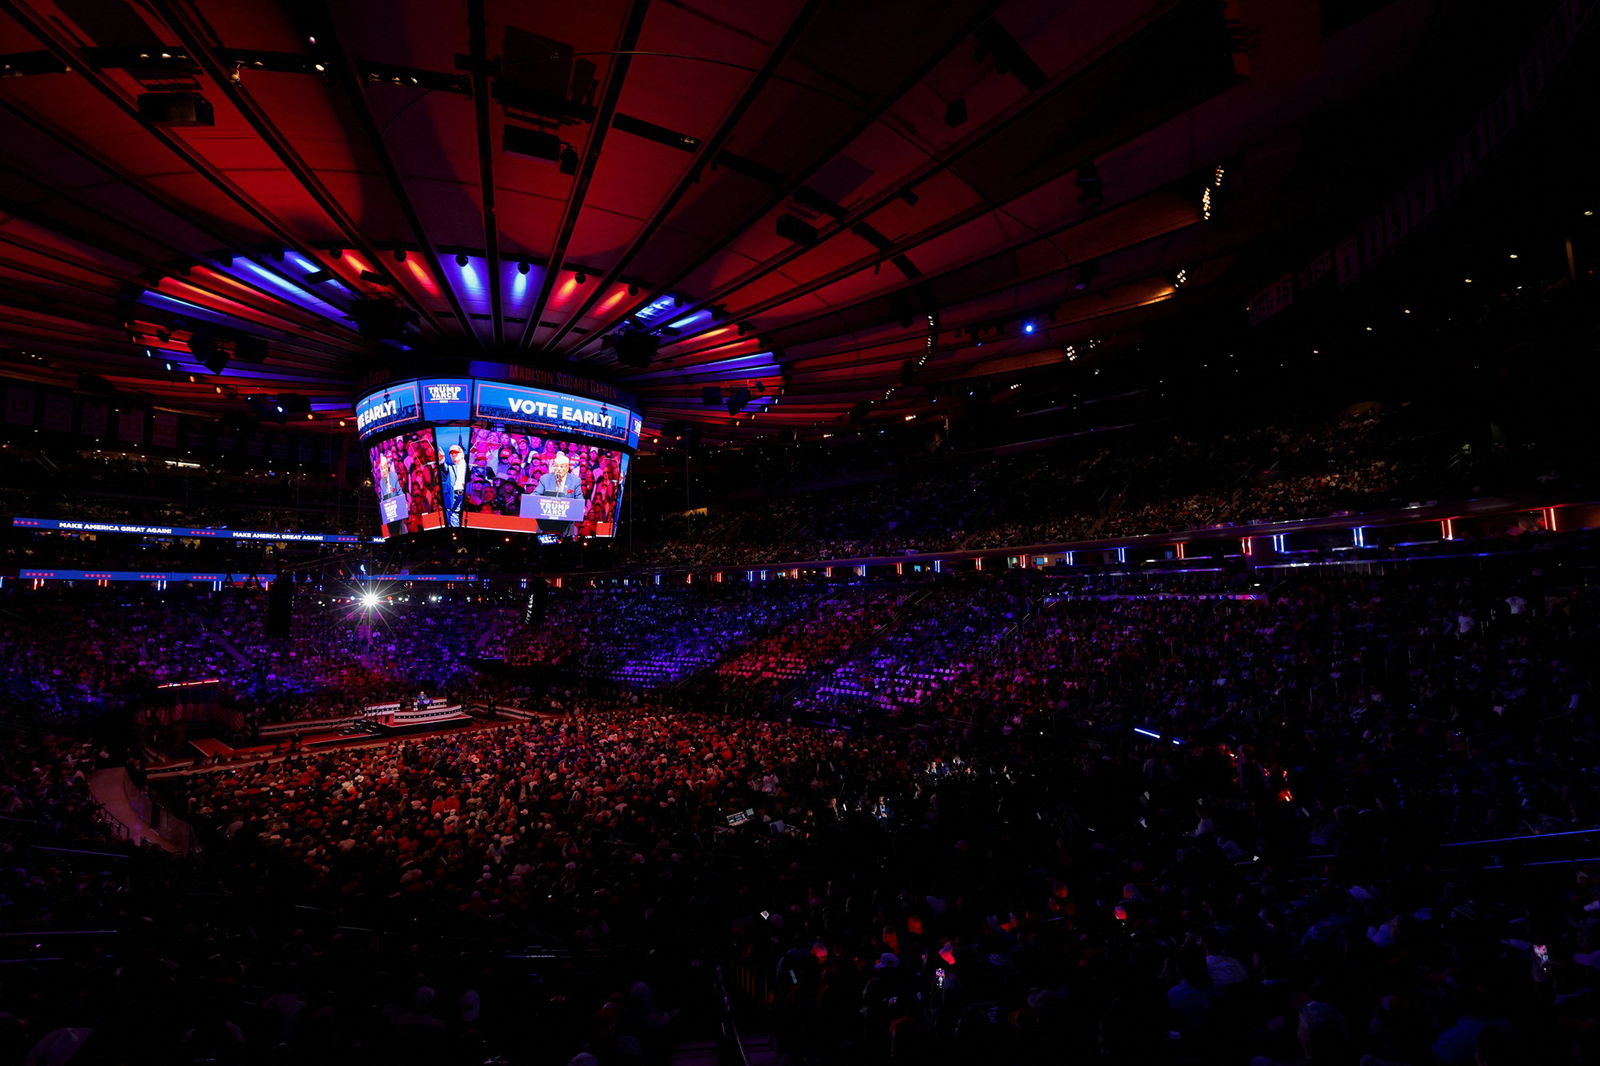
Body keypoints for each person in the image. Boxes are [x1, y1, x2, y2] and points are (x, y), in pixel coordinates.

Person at [535, 452, 583, 537]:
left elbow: (579, 499)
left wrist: (579, 507)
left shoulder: (575, 481)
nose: (559, 469)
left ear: (568, 468)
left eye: (562, 466)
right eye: (556, 466)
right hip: (546, 516)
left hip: (566, 518)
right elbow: (536, 494)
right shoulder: (545, 478)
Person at [439, 444, 468, 527]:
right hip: (454, 496)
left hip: (466, 496)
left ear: (462, 454)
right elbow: (444, 468)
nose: (453, 454)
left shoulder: (469, 466)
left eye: (456, 452)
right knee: (454, 519)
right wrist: (441, 461)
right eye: (451, 453)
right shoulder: (450, 467)